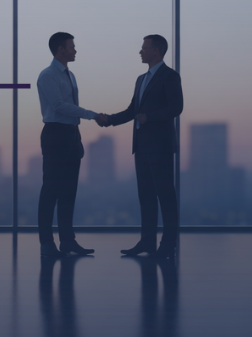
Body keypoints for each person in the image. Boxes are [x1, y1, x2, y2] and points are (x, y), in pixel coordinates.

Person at [98, 34, 183, 260]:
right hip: (142, 146)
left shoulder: (170, 76)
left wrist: (150, 117)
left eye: (144, 48)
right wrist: (109, 120)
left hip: (161, 147)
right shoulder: (140, 79)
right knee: (145, 195)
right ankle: (147, 242)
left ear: (156, 51)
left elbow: (176, 108)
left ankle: (168, 244)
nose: (140, 51)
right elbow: (132, 110)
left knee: (165, 196)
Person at [36, 32, 104, 258]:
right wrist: (91, 114)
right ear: (60, 49)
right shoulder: (47, 76)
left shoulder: (70, 75)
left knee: (68, 192)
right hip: (55, 134)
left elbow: (68, 107)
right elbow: (58, 106)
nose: (75, 50)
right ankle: (47, 243)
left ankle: (67, 241)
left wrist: (78, 131)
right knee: (51, 191)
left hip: (71, 134)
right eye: (71, 47)